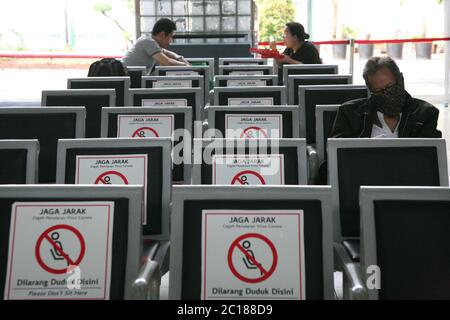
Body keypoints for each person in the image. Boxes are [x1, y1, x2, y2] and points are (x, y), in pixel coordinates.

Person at [330, 56, 441, 138]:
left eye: (390, 86)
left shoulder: (425, 113)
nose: (387, 94)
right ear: (371, 92)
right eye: (379, 91)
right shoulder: (350, 113)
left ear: (400, 80)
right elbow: (338, 154)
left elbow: (429, 157)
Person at [122, 18, 190, 74]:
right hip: (127, 80)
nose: (171, 41)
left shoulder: (151, 41)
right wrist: (186, 66)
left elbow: (166, 52)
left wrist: (179, 58)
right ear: (162, 34)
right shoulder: (148, 41)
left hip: (133, 79)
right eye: (170, 37)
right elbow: (167, 62)